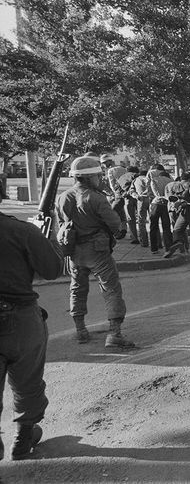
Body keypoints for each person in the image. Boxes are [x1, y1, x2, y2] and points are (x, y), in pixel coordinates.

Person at [0, 178, 63, 460]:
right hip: (20, 316)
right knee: (27, 380)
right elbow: (52, 269)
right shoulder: (20, 231)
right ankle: (23, 436)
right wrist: (45, 235)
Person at [56, 155, 134, 348]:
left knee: (77, 289)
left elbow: (61, 223)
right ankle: (114, 334)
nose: (100, 179)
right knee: (111, 288)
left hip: (74, 250)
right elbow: (115, 224)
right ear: (90, 177)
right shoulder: (96, 197)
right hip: (97, 250)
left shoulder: (63, 196)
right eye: (98, 176)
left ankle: (80, 330)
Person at [164, 172, 190, 258]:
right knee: (182, 229)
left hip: (172, 209)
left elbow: (168, 197)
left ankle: (175, 246)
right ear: (189, 179)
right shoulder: (189, 186)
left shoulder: (169, 185)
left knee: (175, 229)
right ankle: (185, 249)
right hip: (184, 209)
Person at [100, 154, 127, 239]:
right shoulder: (123, 168)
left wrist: (112, 194)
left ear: (108, 161)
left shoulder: (110, 170)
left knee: (112, 213)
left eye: (104, 163)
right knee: (121, 213)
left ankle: (115, 232)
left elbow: (112, 184)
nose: (103, 165)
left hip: (114, 195)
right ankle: (123, 230)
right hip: (123, 193)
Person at [147, 165, 172, 254]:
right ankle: (168, 248)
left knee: (153, 226)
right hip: (166, 204)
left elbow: (150, 192)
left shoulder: (154, 179)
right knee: (166, 227)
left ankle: (154, 248)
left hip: (155, 204)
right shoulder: (170, 181)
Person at [117, 166, 140, 244]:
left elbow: (118, 189)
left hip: (127, 198)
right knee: (140, 217)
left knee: (130, 218)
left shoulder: (121, 177)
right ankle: (143, 237)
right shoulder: (137, 175)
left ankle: (134, 238)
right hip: (138, 197)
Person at [129, 170, 151, 247]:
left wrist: (136, 196)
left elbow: (131, 191)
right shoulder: (150, 178)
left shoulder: (136, 180)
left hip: (141, 200)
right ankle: (158, 243)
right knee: (153, 221)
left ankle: (144, 242)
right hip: (151, 199)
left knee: (142, 221)